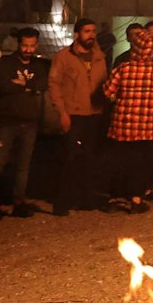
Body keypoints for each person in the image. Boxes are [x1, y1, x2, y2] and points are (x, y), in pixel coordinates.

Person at [0, 27, 46, 220]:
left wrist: (22, 84)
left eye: (32, 46)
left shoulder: (39, 66)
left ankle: (19, 202)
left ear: (36, 45)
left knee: (23, 166)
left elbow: (42, 84)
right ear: (19, 44)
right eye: (25, 45)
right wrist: (30, 88)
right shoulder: (6, 62)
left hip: (29, 122)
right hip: (7, 122)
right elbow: (4, 86)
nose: (28, 49)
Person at [104, 27, 153, 212]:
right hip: (145, 128)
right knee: (140, 164)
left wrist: (119, 100)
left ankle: (117, 197)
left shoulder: (122, 68)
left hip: (121, 127)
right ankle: (136, 200)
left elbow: (107, 91)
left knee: (120, 161)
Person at [50, 19, 110, 214]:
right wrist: (62, 112)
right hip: (74, 114)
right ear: (77, 34)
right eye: (87, 31)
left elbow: (105, 83)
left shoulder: (100, 57)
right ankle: (64, 201)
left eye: (93, 31)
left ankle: (88, 198)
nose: (91, 35)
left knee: (91, 158)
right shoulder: (63, 57)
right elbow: (54, 84)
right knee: (70, 159)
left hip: (94, 114)